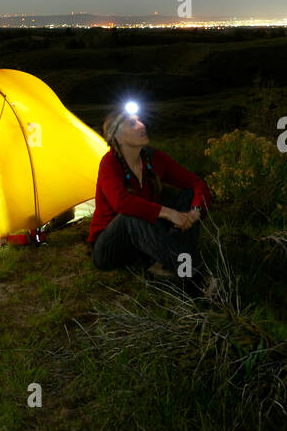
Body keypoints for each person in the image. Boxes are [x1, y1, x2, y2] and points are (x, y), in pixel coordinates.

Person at [88, 105, 212, 295]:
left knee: (187, 197)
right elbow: (121, 202)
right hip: (110, 248)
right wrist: (169, 213)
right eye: (132, 123)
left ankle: (167, 263)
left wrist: (195, 212)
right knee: (130, 216)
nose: (141, 125)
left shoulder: (153, 158)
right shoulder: (109, 163)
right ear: (117, 137)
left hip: (144, 239)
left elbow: (196, 184)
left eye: (140, 120)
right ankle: (194, 277)